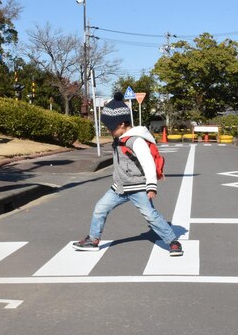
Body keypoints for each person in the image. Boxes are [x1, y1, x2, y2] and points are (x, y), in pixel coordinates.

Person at [73, 92, 184, 256]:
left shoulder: (136, 140)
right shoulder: (119, 139)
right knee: (100, 208)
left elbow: (148, 163)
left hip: (138, 187)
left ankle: (173, 241)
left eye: (112, 128)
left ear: (123, 124)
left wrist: (151, 186)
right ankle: (93, 239)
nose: (110, 131)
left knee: (150, 215)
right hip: (119, 187)